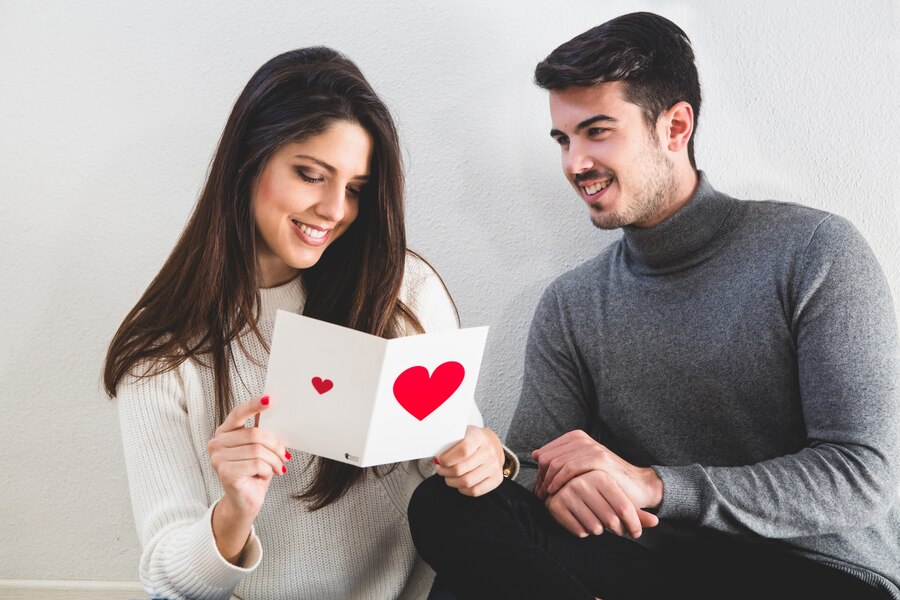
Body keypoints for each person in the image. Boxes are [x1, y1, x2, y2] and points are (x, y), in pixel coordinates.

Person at [408, 11, 900, 600]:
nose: (574, 164)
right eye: (564, 140)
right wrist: (508, 468)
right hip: (652, 568)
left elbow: (861, 475)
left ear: (675, 127)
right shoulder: (572, 305)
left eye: (596, 131)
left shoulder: (814, 251)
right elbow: (538, 473)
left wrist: (652, 485)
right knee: (449, 506)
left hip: (814, 572)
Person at [103, 47, 515, 600]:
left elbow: (457, 451)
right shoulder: (164, 350)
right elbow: (166, 581)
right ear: (250, 160)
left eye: (355, 189)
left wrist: (487, 456)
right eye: (311, 175)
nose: (334, 209)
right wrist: (234, 512)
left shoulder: (403, 291)